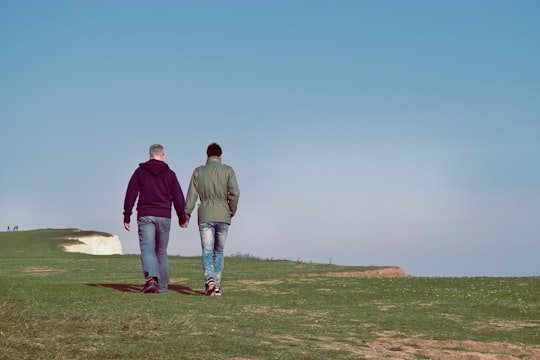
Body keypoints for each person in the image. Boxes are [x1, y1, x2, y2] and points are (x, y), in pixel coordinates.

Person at [123, 144, 188, 293]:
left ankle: (151, 280)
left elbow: (130, 194)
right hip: (164, 215)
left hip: (145, 214)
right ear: (163, 155)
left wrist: (127, 215)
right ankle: (163, 287)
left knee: (147, 248)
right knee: (161, 251)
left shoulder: (140, 172)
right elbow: (178, 196)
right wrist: (182, 218)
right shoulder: (170, 174)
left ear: (149, 155)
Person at [184, 143, 240, 296]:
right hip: (223, 215)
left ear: (206, 156)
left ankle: (210, 279)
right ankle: (216, 286)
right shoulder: (228, 170)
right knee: (219, 252)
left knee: (207, 251)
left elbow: (192, 195)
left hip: (205, 215)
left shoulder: (198, 172)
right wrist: (231, 211)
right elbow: (235, 193)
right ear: (220, 156)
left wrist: (186, 214)